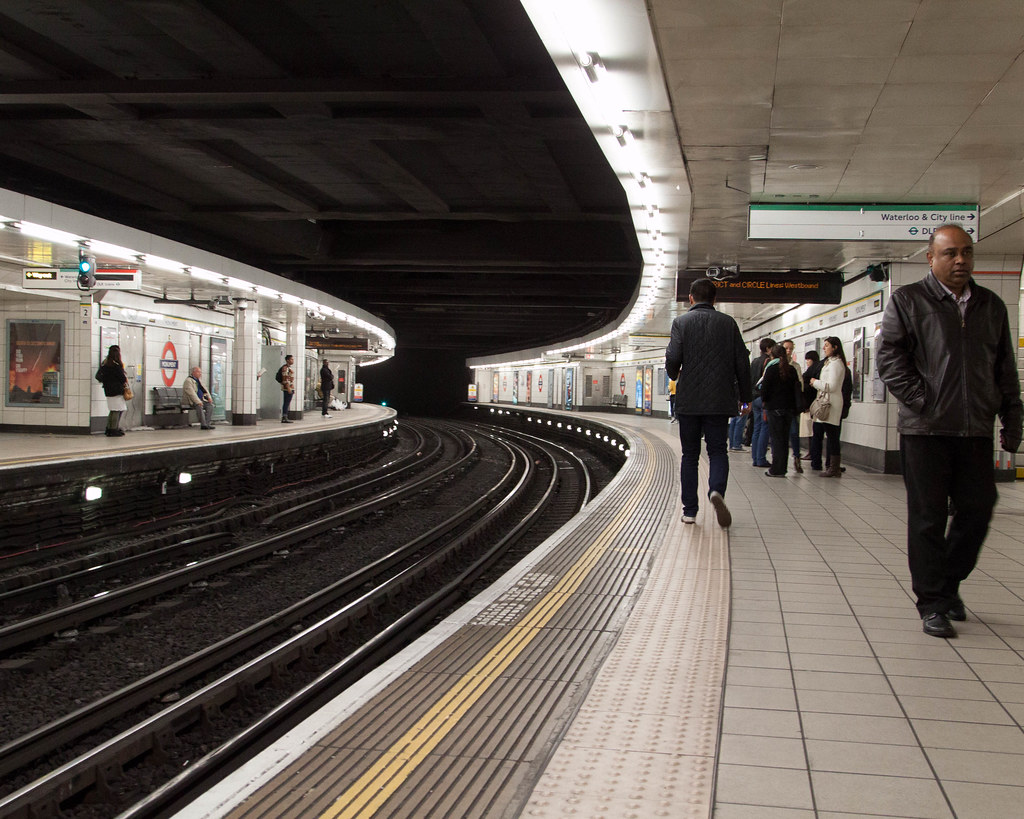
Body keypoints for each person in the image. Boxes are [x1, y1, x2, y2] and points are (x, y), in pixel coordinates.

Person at [876, 223, 1022, 638]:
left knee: (978, 508)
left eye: (966, 252)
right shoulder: (908, 300)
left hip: (975, 429)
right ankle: (933, 602)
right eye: (950, 253)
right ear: (931, 258)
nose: (961, 260)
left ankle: (947, 582)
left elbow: (1004, 370)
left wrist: (1012, 420)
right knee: (928, 517)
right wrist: (925, 401)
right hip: (925, 430)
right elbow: (890, 360)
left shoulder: (991, 306)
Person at [665, 278, 752, 527]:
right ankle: (716, 492)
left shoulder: (681, 322)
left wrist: (673, 373)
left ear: (690, 298)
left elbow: (673, 357)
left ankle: (690, 511)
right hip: (719, 399)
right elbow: (741, 364)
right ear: (715, 300)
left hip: (689, 400)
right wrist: (746, 398)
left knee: (690, 455)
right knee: (717, 451)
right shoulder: (728, 323)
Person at [759, 343, 803, 477]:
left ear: (773, 355)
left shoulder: (771, 369)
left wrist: (765, 401)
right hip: (789, 409)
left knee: (776, 440)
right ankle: (783, 468)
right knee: (784, 440)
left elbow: (764, 389)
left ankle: (776, 469)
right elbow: (796, 388)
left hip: (774, 408)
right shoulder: (792, 370)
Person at [808, 337, 847, 477]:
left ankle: (834, 467)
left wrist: (815, 382)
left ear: (835, 347)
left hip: (831, 404)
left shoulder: (836, 364)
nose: (824, 348)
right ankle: (832, 466)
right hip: (826, 402)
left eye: (827, 346)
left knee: (832, 436)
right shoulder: (829, 363)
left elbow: (832, 386)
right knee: (829, 434)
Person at [749, 337, 775, 468]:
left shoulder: (754, 361)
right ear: (768, 349)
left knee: (757, 428)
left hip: (754, 398)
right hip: (763, 397)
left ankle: (755, 458)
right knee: (765, 428)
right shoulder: (767, 361)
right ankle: (761, 459)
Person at [95, 344, 128, 437]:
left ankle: (109, 428)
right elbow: (122, 378)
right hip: (117, 391)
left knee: (113, 410)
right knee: (118, 410)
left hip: (108, 390)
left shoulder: (105, 364)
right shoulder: (116, 366)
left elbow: (98, 376)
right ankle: (113, 429)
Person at [781, 339, 804, 473]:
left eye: (791, 348)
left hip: (792, 405)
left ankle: (796, 456)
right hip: (779, 404)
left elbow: (799, 384)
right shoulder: (776, 365)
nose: (789, 351)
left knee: (794, 432)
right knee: (779, 433)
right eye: (786, 348)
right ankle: (779, 458)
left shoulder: (796, 366)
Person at [801, 350, 822, 462]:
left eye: (808, 360)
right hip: (813, 404)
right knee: (811, 430)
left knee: (811, 431)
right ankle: (812, 453)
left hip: (811, 405)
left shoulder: (812, 371)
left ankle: (812, 453)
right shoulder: (816, 369)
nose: (807, 362)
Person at [280, 354, 295, 423]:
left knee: (287, 402)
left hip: (290, 387)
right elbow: (285, 379)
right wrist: (288, 388)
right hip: (287, 388)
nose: (293, 360)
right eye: (291, 359)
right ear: (287, 360)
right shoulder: (285, 368)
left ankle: (285, 416)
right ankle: (284, 416)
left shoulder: (289, 368)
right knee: (286, 402)